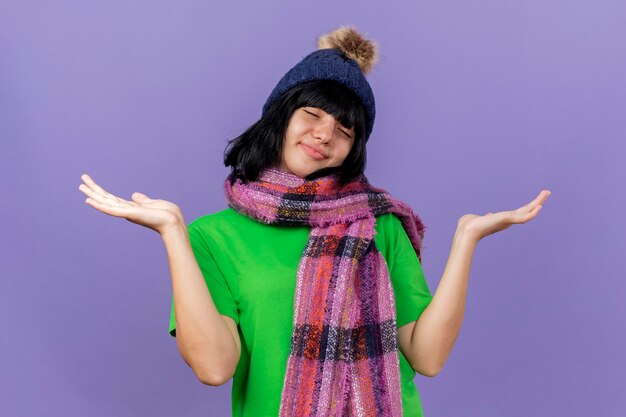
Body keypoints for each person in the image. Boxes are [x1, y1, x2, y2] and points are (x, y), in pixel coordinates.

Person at [79, 26, 551, 417]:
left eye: (345, 130)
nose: (325, 135)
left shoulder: (378, 225)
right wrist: (173, 234)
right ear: (280, 117)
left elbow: (426, 356)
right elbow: (214, 367)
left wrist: (466, 240)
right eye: (311, 114)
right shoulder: (212, 237)